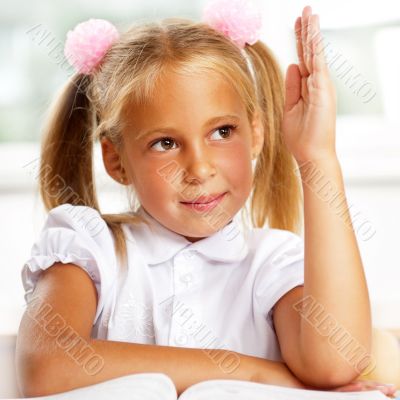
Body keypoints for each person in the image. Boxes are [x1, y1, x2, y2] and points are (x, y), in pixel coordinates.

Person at [15, 0, 399, 397]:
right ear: (117, 160)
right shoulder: (90, 248)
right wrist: (264, 376)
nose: (199, 169)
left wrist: (317, 156)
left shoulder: (271, 263)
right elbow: (47, 368)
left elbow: (336, 362)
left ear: (257, 133)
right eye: (165, 143)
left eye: (222, 132)